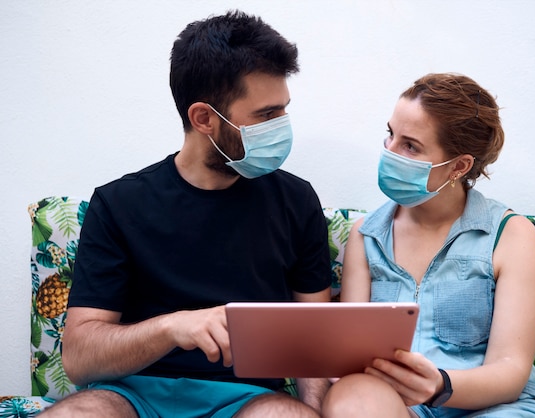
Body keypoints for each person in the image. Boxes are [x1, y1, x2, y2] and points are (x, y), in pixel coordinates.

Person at [40, 10, 331, 418]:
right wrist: (172, 327)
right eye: (267, 115)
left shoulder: (296, 201)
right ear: (204, 118)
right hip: (131, 396)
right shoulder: (118, 205)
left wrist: (314, 411)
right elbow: (80, 359)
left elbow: (313, 340)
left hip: (249, 399)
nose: (282, 126)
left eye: (284, 109)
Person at [321, 73, 535, 417]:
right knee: (352, 394)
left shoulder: (511, 234)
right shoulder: (366, 235)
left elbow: (510, 372)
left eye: (410, 146)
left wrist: (439, 386)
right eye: (391, 134)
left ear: (459, 166)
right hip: (398, 407)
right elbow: (351, 356)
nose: (390, 152)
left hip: (496, 407)